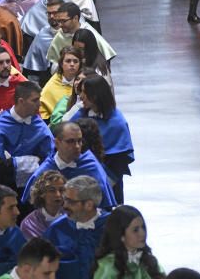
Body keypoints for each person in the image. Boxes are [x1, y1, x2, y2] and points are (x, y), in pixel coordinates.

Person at [22, 121, 116, 210]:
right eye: (70, 141)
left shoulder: (91, 166)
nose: (77, 146)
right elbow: (31, 206)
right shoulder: (44, 171)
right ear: (57, 143)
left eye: (79, 141)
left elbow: (105, 206)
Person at [0, 80, 54, 194]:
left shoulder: (40, 126)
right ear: (21, 101)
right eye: (35, 100)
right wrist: (26, 162)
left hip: (34, 189)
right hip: (5, 188)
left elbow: (49, 159)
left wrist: (14, 162)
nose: (39, 104)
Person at [73, 75, 133, 203]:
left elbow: (119, 162)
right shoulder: (80, 114)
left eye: (84, 92)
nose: (81, 96)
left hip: (108, 183)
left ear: (95, 95)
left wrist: (101, 182)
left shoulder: (117, 123)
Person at [48, 2, 116, 68]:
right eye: (59, 21)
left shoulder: (89, 33)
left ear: (75, 18)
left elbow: (106, 57)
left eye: (64, 21)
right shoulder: (60, 35)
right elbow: (54, 61)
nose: (60, 25)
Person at [39, 45, 82, 120]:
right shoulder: (52, 84)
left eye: (75, 61)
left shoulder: (85, 80)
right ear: (61, 64)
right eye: (68, 61)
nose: (72, 64)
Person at [20, 170, 66, 238]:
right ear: (41, 193)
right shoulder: (29, 224)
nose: (58, 194)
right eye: (52, 190)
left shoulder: (73, 216)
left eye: (61, 190)